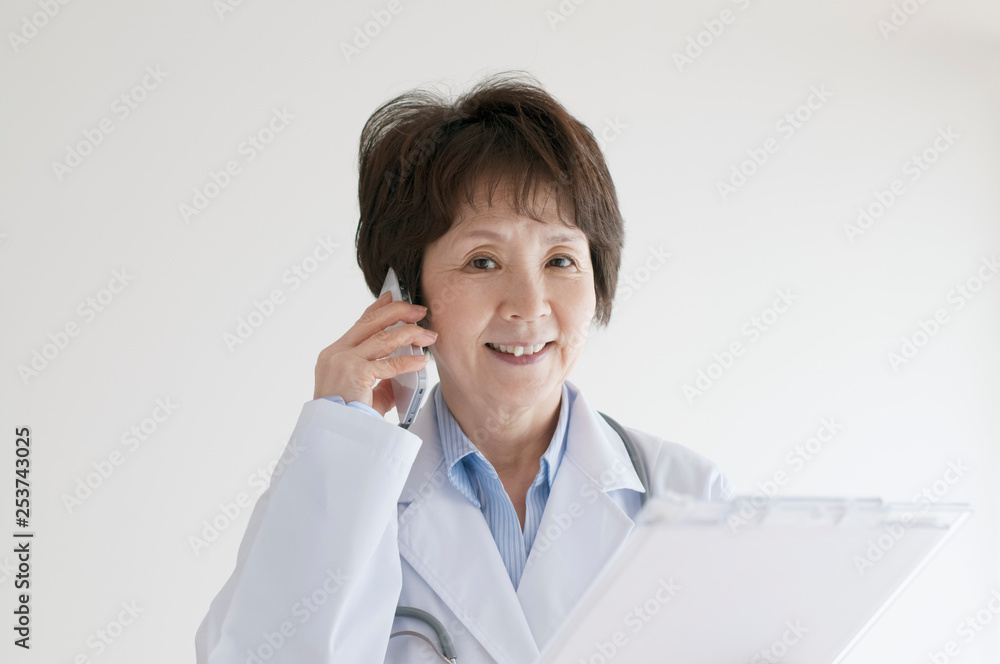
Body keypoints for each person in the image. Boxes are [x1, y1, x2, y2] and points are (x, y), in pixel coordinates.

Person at [195, 71, 735, 664]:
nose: (529, 305)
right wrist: (337, 439)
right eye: (482, 261)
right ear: (407, 294)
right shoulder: (350, 486)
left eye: (560, 259)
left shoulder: (690, 495)